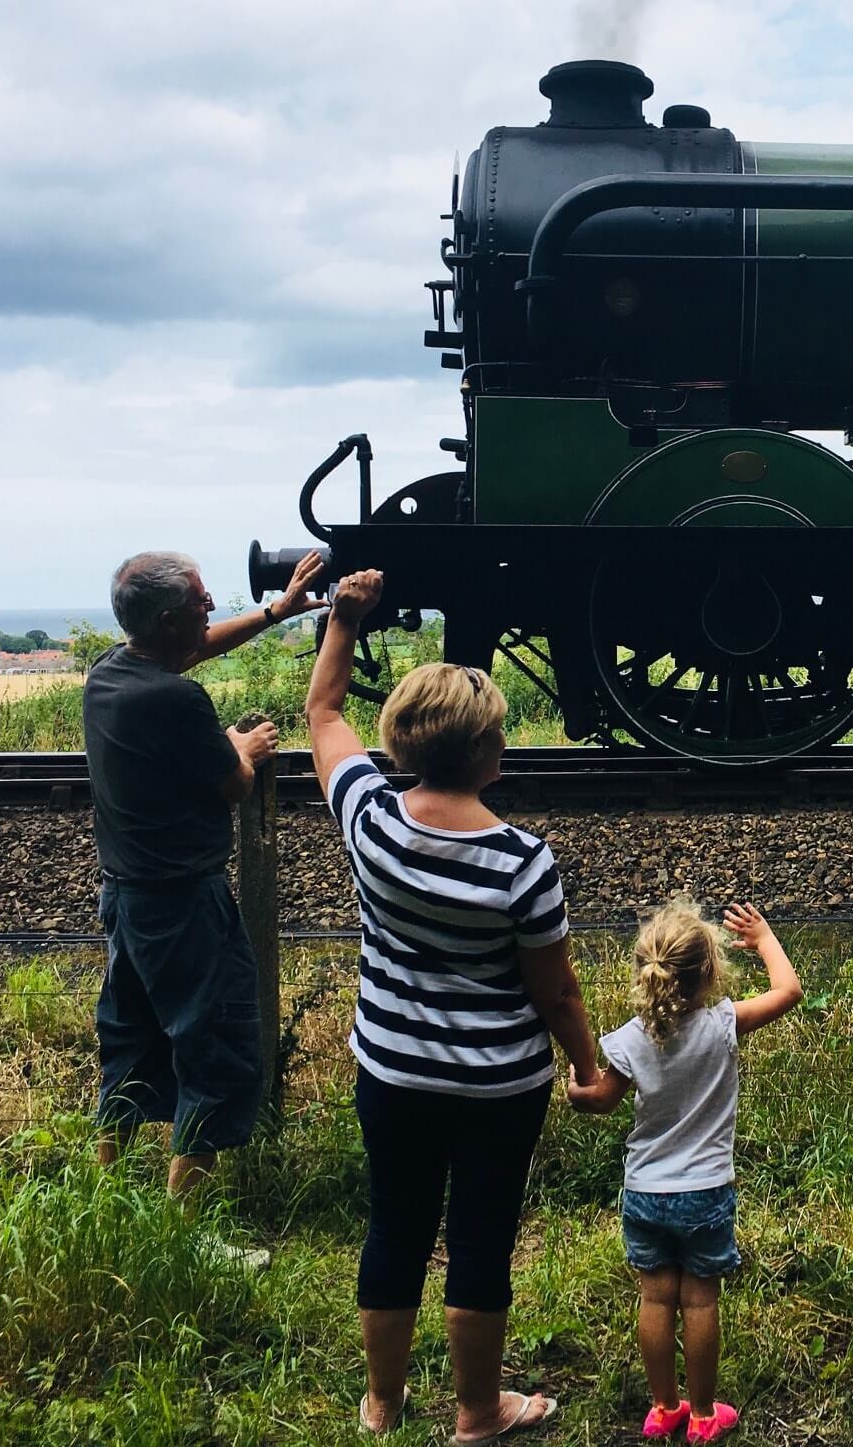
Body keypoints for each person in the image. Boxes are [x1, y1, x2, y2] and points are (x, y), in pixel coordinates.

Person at [306, 568, 598, 1442]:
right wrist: (588, 1068)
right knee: (479, 1245)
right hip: (498, 1089)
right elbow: (556, 989)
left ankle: (383, 1404)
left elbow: (323, 716)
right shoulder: (521, 861)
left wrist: (344, 622)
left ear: (402, 745)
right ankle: (478, 1413)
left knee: (393, 1230)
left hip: (391, 1069)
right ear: (487, 754)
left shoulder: (371, 820)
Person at [86, 547, 327, 1210]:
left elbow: (190, 654)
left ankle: (105, 1202)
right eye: (199, 603)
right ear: (168, 621)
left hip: (126, 902)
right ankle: (186, 1231)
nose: (211, 607)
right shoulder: (179, 701)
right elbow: (234, 784)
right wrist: (240, 746)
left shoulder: (110, 673)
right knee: (213, 1051)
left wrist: (276, 611)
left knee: (129, 1047)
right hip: (185, 907)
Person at [567, 898, 802, 1444]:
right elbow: (789, 992)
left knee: (655, 1299)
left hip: (646, 1190)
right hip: (704, 1191)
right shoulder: (722, 1025)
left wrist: (576, 1090)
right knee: (699, 1301)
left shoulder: (631, 1039)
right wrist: (765, 939)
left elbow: (601, 1098)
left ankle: (663, 1408)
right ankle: (701, 1415)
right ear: (710, 973)